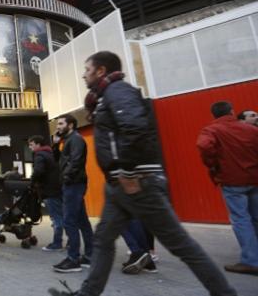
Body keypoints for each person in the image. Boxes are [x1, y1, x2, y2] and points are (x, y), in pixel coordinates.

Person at [49, 51, 237, 296]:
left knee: (181, 246)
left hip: (138, 183)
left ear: (101, 70)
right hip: (119, 186)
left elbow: (135, 129)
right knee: (103, 241)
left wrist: (127, 172)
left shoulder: (119, 92)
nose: (83, 74)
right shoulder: (105, 97)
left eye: (87, 69)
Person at [197, 101, 258, 276]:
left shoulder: (212, 130)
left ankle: (251, 261)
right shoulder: (251, 129)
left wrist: (213, 164)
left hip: (232, 181)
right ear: (232, 111)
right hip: (254, 178)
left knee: (241, 219)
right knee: (256, 217)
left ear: (214, 115)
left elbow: (203, 146)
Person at [51, 114, 94, 273]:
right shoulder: (67, 140)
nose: (57, 127)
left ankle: (73, 259)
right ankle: (90, 256)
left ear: (71, 125)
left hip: (74, 184)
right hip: (72, 183)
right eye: (57, 124)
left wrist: (67, 178)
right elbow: (58, 161)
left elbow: (76, 161)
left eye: (61, 124)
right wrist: (55, 145)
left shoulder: (76, 139)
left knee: (69, 220)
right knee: (82, 221)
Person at [28, 135, 63, 253]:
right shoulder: (50, 153)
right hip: (58, 188)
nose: (29, 147)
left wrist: (32, 182)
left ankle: (57, 243)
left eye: (31, 144)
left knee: (56, 218)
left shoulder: (39, 155)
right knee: (62, 216)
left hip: (49, 190)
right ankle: (69, 242)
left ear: (38, 144)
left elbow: (38, 171)